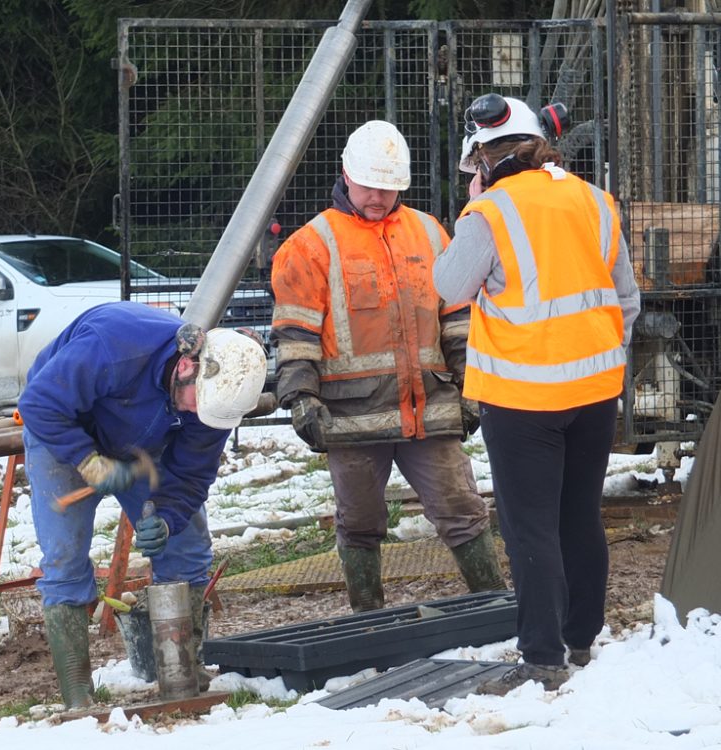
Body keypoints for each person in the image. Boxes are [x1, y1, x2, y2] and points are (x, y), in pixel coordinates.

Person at [433, 94, 640, 694]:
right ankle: (580, 639)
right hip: (595, 390)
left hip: (522, 398)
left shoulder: (491, 212)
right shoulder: (594, 201)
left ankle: (542, 658)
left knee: (530, 528)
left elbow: (448, 285)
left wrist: (471, 210)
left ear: (484, 158)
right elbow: (625, 299)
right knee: (579, 515)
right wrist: (600, 353)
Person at [268, 120, 505, 615]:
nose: (378, 196)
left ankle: (494, 609)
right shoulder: (311, 246)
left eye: (389, 187)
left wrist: (472, 385)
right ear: (345, 175)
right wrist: (302, 399)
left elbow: (457, 319)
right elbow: (296, 335)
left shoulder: (428, 231)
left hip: (431, 409)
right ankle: (368, 618)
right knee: (359, 521)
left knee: (462, 509)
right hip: (349, 418)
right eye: (369, 185)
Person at [16, 301, 268, 709]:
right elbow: (40, 405)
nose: (196, 414)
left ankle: (182, 675)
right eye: (193, 404)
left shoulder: (214, 401)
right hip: (63, 432)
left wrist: (167, 519)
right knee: (64, 558)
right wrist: (89, 461)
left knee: (185, 547)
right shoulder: (115, 343)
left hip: (143, 445)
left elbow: (190, 477)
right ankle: (78, 694)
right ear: (187, 367)